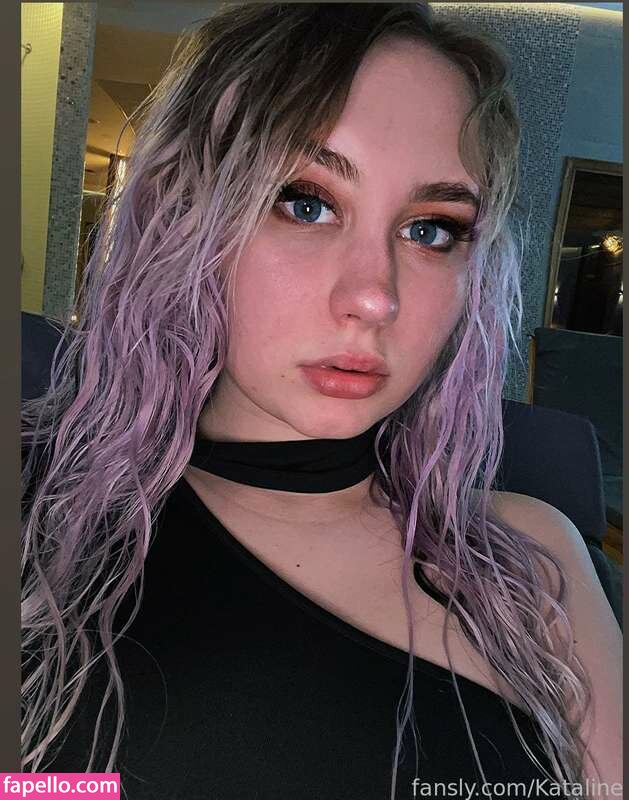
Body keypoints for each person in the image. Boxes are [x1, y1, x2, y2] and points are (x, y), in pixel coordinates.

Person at [21, 4, 621, 798]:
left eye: (431, 229)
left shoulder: (527, 561)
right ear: (183, 215)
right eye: (305, 202)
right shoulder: (39, 515)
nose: (373, 297)